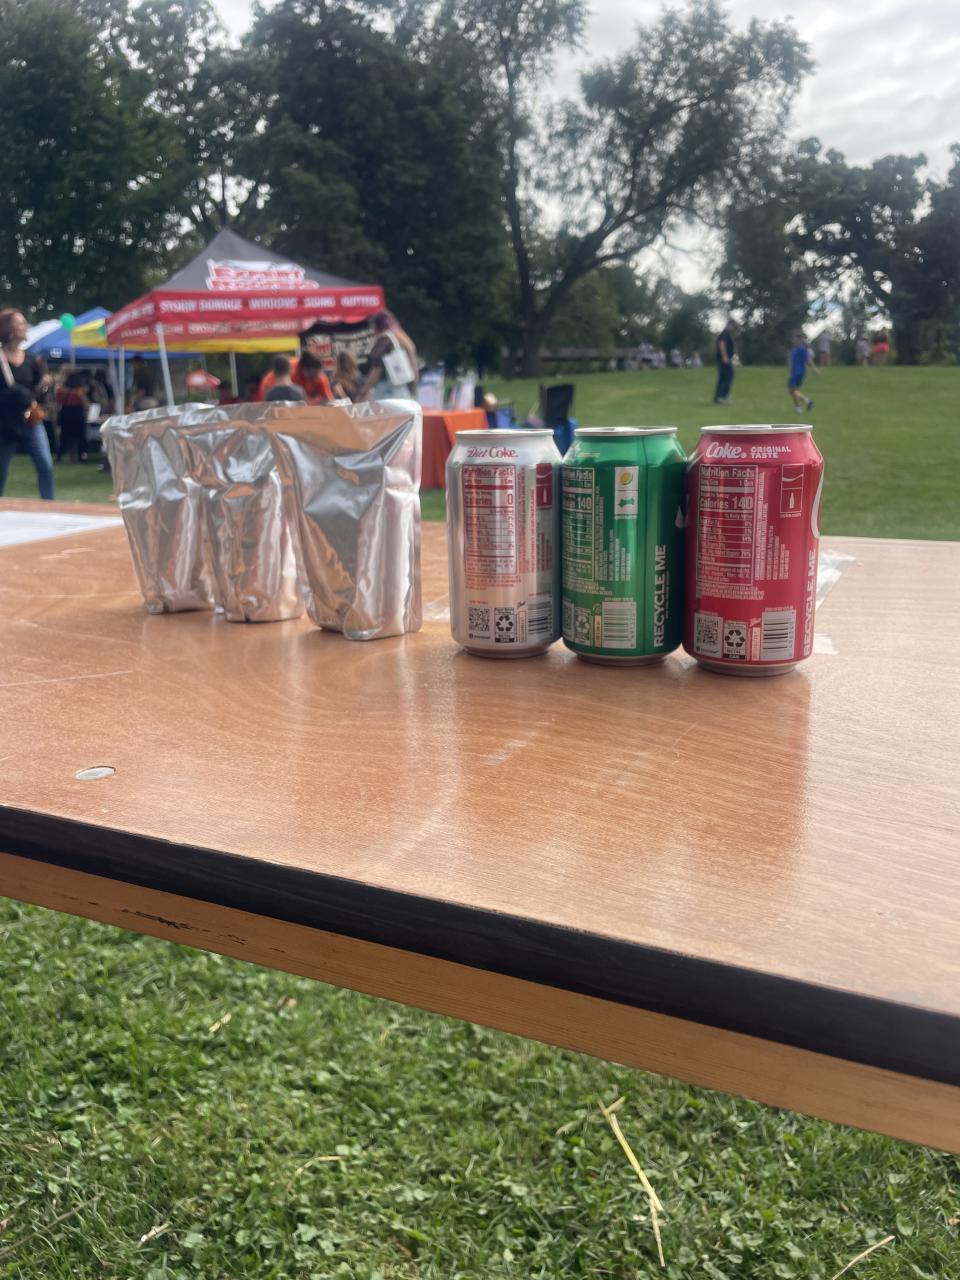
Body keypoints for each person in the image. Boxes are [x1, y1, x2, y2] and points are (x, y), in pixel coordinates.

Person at [0, 308, 55, 500]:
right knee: (1, 472)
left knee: (45, 465)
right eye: (21, 323)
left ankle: (50, 506)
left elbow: (35, 392)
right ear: (8, 328)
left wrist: (44, 385)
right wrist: (19, 394)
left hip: (30, 420)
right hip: (5, 423)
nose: (25, 327)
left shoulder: (31, 359)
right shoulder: (1, 358)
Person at [359, 311, 418, 401]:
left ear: (376, 325)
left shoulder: (384, 340)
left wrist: (364, 390)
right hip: (402, 387)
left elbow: (377, 369)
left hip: (387, 390)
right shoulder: (400, 338)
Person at [258, 350, 333, 403]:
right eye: (313, 375)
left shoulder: (320, 377)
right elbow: (268, 391)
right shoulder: (290, 370)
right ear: (305, 369)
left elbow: (330, 401)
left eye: (318, 374)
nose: (316, 378)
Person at [56, 369, 90, 462]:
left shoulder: (61, 391)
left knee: (64, 437)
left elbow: (58, 402)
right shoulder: (80, 391)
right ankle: (81, 455)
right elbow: (86, 404)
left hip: (66, 414)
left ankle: (60, 455)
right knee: (80, 436)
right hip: (78, 414)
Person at [787, 330, 818, 413]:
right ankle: (807, 402)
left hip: (799, 373)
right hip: (794, 372)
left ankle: (798, 408)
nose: (793, 340)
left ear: (799, 340)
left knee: (792, 390)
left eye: (795, 339)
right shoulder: (794, 350)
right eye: (793, 338)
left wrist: (814, 369)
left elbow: (808, 360)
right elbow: (792, 362)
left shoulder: (802, 349)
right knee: (792, 391)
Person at [713, 318, 738, 404]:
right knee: (729, 376)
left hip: (723, 358)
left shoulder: (725, 333)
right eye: (733, 326)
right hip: (724, 359)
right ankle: (722, 396)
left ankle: (718, 397)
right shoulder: (725, 333)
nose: (733, 328)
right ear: (730, 325)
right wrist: (724, 356)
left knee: (723, 378)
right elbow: (722, 344)